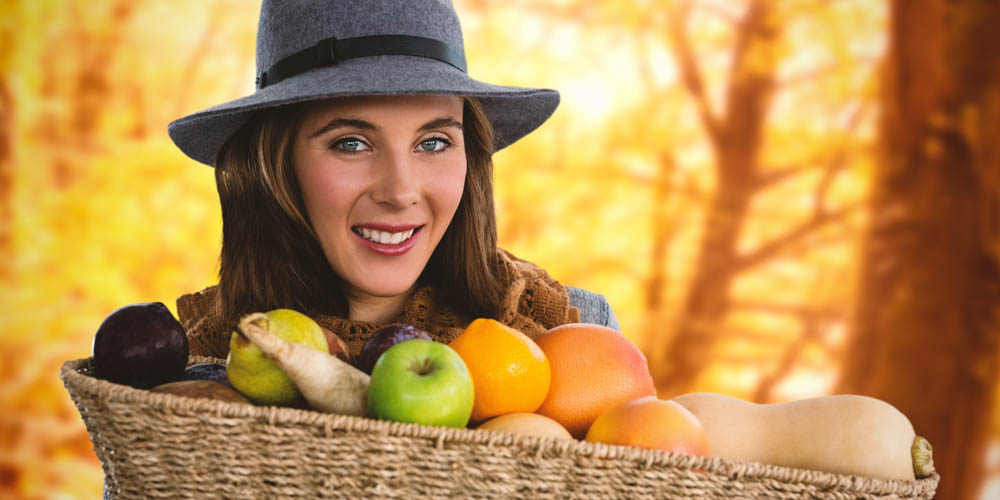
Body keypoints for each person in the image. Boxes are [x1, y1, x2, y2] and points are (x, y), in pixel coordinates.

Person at [168, 0, 619, 358]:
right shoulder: (187, 367)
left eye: (434, 142)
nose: (401, 192)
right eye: (351, 143)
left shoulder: (575, 334)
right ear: (274, 164)